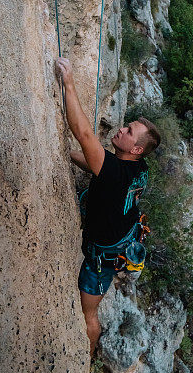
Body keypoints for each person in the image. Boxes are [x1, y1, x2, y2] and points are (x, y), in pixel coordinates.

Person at [55, 57, 161, 356]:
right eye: (127, 125)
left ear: (136, 149)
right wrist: (67, 154)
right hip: (121, 240)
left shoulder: (115, 169)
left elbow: (85, 135)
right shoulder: (139, 168)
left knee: (88, 312)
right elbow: (95, 163)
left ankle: (89, 353)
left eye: (129, 131)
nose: (122, 129)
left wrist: (69, 83)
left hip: (101, 259)